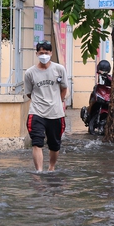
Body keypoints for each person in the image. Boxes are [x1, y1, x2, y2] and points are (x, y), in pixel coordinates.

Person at [24, 41, 68, 172]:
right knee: (37, 143)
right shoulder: (30, 73)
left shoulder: (59, 69)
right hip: (36, 113)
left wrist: (57, 102)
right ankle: (39, 171)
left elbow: (64, 88)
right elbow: (28, 92)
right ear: (36, 53)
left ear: (51, 53)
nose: (44, 55)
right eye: (41, 53)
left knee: (54, 145)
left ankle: (51, 167)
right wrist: (39, 102)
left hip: (56, 113)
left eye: (46, 53)